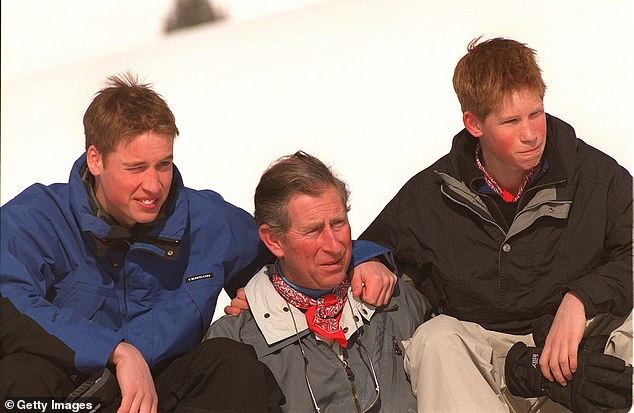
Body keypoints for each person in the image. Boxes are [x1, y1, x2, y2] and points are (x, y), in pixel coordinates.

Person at [0, 74, 396, 413]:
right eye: (136, 168)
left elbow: (287, 246)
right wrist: (115, 352)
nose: (153, 185)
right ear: (96, 159)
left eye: (164, 164)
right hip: (72, 393)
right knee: (17, 379)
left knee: (231, 364)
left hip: (164, 387)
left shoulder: (205, 218)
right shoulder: (35, 218)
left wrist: (361, 258)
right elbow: (11, 304)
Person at [359, 37, 633, 413]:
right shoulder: (431, 195)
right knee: (435, 339)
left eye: (536, 113)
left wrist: (581, 298)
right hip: (488, 370)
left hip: (579, 354)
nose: (531, 134)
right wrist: (369, 260)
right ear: (474, 123)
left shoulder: (597, 177)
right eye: (511, 121)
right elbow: (368, 245)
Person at [207, 151, 432, 412]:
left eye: (338, 224)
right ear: (274, 241)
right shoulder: (235, 340)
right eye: (313, 230)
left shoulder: (397, 299)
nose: (334, 246)